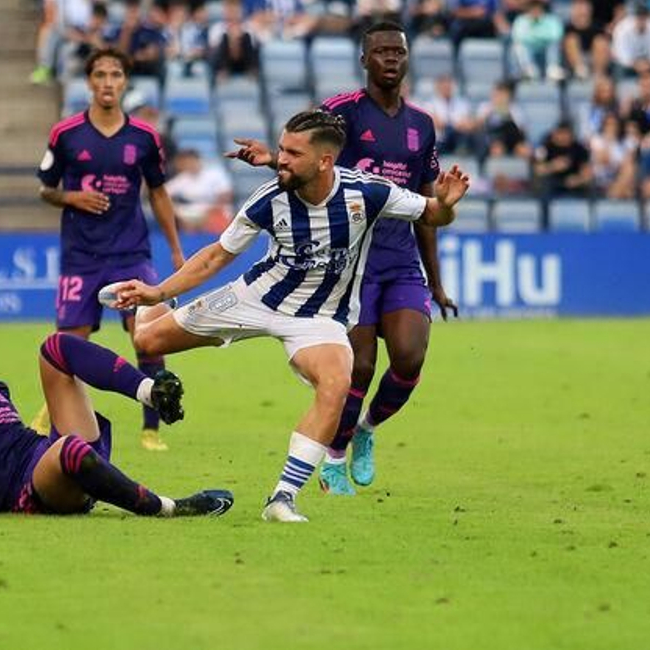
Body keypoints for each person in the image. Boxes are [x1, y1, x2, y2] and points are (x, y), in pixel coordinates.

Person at [116, 109, 471, 521]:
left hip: (317, 318)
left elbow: (433, 213)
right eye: (281, 148)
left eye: (292, 152)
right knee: (146, 342)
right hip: (256, 298)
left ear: (324, 161)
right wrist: (158, 291)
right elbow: (216, 256)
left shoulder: (367, 193)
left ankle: (282, 498)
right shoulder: (269, 198)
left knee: (337, 381)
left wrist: (446, 205)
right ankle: (155, 307)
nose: (280, 159)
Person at [226, 21, 456, 496]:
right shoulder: (340, 114)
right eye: (381, 52)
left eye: (398, 51)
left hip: (400, 258)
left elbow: (427, 205)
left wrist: (436, 281)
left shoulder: (421, 125)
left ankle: (366, 430)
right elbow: (305, 157)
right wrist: (273, 159)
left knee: (410, 357)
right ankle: (333, 455)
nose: (391, 59)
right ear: (364, 60)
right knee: (361, 366)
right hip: (350, 260)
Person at [0, 309, 233, 519]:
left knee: (55, 347)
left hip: (50, 460)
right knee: (69, 448)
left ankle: (150, 391)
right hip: (25, 491)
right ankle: (166, 507)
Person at [35, 48, 186, 452]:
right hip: (81, 257)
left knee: (148, 335)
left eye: (115, 74)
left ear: (125, 82)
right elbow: (45, 189)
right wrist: (73, 198)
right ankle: (54, 416)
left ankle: (151, 428)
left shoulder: (144, 137)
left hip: (130, 254)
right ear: (89, 81)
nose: (107, 82)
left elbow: (158, 193)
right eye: (99, 74)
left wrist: (174, 251)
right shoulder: (65, 134)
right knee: (68, 343)